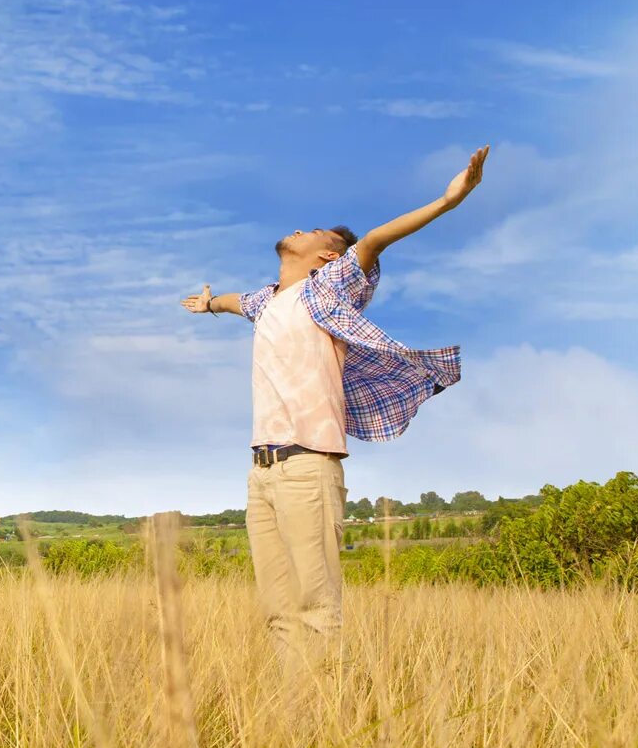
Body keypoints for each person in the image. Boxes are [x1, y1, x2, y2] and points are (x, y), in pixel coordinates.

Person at [181, 145, 489, 671]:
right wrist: (209, 303)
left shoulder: (329, 288)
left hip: (306, 467)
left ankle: (328, 721)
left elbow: (372, 241)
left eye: (316, 231)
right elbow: (237, 301)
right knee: (277, 613)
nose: (301, 229)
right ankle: (291, 722)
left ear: (328, 257)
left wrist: (446, 201)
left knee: (316, 608)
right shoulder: (268, 299)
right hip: (261, 473)